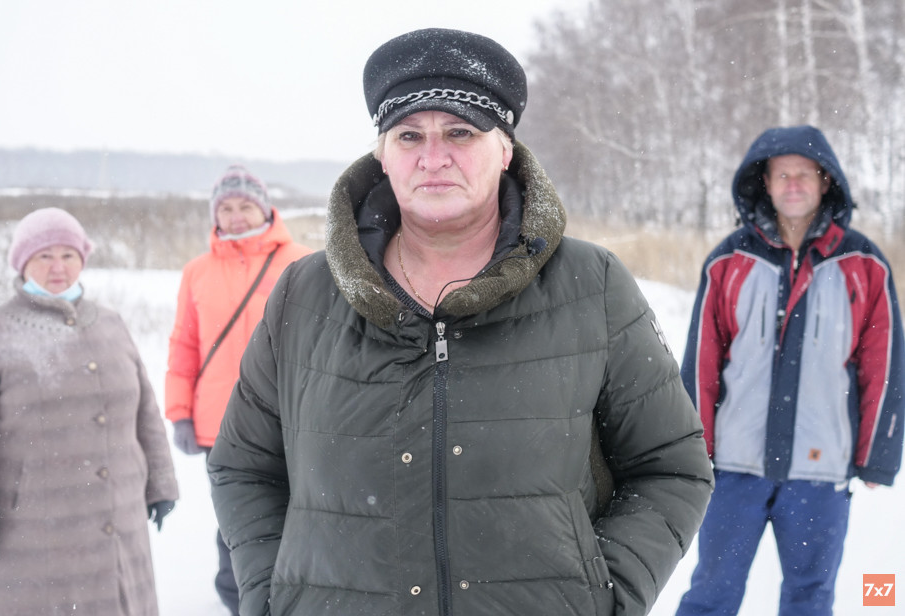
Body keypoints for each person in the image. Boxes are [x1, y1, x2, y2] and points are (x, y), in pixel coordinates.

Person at [207, 28, 713, 616]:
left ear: (505, 150)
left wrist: (603, 598)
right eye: (409, 135)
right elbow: (244, 468)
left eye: (460, 132)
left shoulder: (590, 285)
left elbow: (670, 467)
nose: (433, 157)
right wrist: (275, 597)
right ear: (382, 155)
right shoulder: (304, 295)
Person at [676, 125, 905, 616]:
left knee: (810, 599)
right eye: (783, 175)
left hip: (819, 472)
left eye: (805, 174)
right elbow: (701, 364)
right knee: (711, 594)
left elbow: (883, 366)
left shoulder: (864, 264)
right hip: (735, 467)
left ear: (825, 181)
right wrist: (693, 448)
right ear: (766, 183)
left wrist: (878, 454)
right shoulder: (729, 260)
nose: (794, 184)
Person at [0, 207, 179, 615]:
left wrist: (161, 483)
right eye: (44, 256)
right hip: (31, 531)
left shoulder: (110, 323)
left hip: (120, 516)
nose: (58, 267)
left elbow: (145, 412)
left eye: (68, 255)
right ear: (22, 262)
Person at [165, 164, 312, 615]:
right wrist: (179, 412)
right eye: (225, 208)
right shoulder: (197, 271)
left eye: (245, 205)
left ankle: (301, 594)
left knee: (302, 511)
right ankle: (238, 599)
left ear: (265, 208)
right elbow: (184, 343)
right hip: (220, 420)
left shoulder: (303, 262)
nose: (235, 216)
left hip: (292, 415)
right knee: (238, 516)